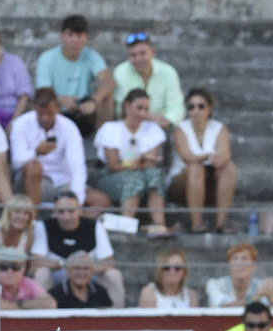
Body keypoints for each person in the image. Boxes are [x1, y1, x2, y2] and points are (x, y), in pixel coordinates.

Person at [9, 87, 106, 209]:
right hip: (35, 182)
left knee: (101, 201)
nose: (45, 118)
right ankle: (33, 221)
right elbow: (16, 162)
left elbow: (77, 167)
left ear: (57, 107)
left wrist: (76, 202)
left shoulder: (69, 127)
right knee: (33, 167)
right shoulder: (21, 124)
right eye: (41, 114)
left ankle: (68, 219)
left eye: (49, 113)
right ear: (35, 107)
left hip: (63, 181)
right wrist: (36, 152)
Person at [94, 89, 171, 236]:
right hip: (112, 177)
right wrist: (136, 162)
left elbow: (150, 163)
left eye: (146, 109)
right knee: (133, 177)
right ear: (127, 106)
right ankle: (126, 224)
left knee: (154, 175)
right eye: (139, 108)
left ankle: (159, 225)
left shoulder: (153, 130)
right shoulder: (111, 129)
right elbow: (114, 166)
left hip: (143, 175)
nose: (143, 114)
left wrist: (137, 162)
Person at [29, 189, 124, 307]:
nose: (66, 216)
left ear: (79, 210)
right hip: (59, 274)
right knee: (41, 273)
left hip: (88, 274)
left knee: (113, 275)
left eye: (71, 211)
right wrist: (66, 265)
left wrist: (84, 268)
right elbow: (36, 263)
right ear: (54, 212)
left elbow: (109, 262)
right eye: (61, 212)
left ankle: (116, 317)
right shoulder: (44, 226)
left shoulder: (94, 226)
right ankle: (44, 318)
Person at [167, 87, 236, 234]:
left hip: (209, 182)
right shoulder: (181, 128)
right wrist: (207, 157)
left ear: (209, 108)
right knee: (195, 168)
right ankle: (197, 223)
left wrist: (218, 160)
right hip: (181, 183)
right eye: (191, 107)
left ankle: (220, 224)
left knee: (228, 168)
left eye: (200, 106)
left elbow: (225, 155)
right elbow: (187, 156)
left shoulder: (219, 128)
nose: (195, 110)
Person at [34, 14, 113, 137]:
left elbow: (108, 81)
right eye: (70, 35)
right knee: (47, 101)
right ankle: (52, 137)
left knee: (107, 95)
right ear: (62, 36)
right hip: (58, 109)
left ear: (86, 37)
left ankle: (103, 138)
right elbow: (43, 92)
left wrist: (93, 101)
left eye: (79, 35)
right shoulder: (47, 58)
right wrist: (59, 99)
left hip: (84, 110)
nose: (75, 40)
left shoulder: (92, 56)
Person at [112, 31, 185, 132]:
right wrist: (149, 117)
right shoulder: (121, 71)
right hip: (129, 126)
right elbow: (122, 107)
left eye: (142, 53)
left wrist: (166, 121)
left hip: (161, 127)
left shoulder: (168, 72)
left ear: (152, 52)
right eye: (133, 55)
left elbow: (176, 106)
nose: (138, 59)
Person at [205, 242, 273, 309]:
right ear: (229, 265)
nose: (239, 263)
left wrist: (271, 298)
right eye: (235, 259)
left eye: (244, 258)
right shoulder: (215, 284)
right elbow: (223, 306)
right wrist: (254, 298)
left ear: (253, 265)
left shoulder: (261, 285)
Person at [0, 245, 55, 312]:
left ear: (23, 269)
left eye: (16, 267)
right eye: (4, 266)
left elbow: (50, 304)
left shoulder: (27, 282)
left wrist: (18, 304)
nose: (10, 271)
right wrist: (26, 306)